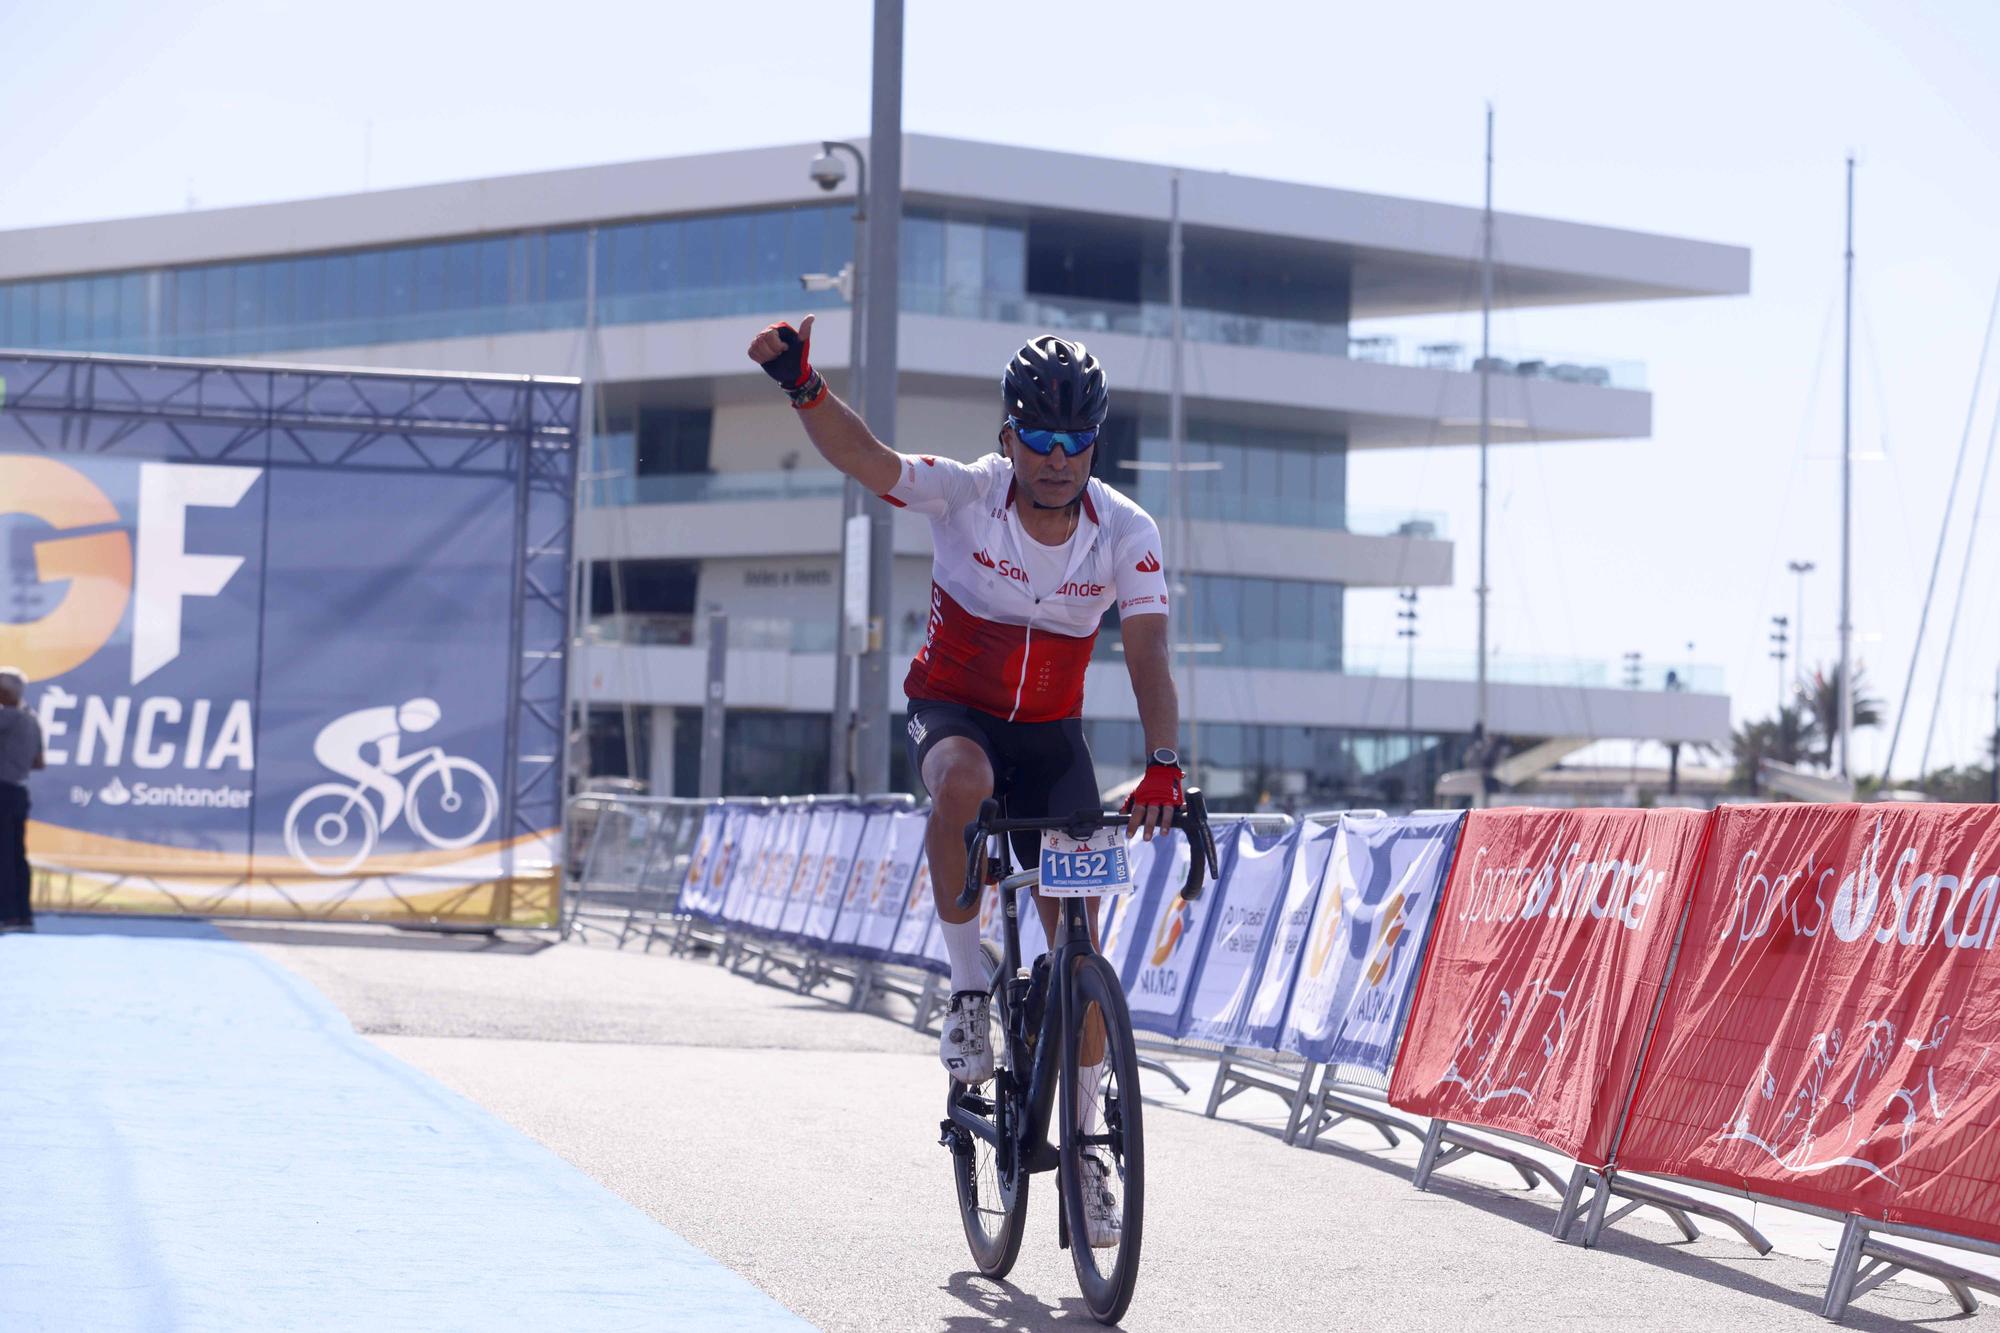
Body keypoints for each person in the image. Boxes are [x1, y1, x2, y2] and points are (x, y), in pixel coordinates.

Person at [748, 319, 1186, 1243]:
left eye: (1077, 441)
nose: (1059, 458)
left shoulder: (1127, 530)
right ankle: (968, 992)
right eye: (1041, 437)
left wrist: (1163, 761)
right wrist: (803, 384)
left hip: (1053, 738)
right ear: (1008, 436)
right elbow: (869, 461)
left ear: (1094, 444)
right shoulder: (967, 496)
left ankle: (1089, 1144)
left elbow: (1148, 651)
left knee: (1082, 946)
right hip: (956, 711)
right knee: (961, 783)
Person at [308, 697, 443, 831]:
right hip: (332, 749)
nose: (421, 728)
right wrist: (424, 754)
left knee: (386, 784)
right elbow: (390, 767)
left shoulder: (387, 714)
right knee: (393, 789)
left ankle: (379, 829)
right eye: (424, 724)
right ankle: (381, 830)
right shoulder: (389, 728)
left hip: (332, 744)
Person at [0, 667, 46, 932]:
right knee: (16, 856)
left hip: (2, 791)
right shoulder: (32, 719)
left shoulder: (7, 718)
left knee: (3, 856)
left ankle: (5, 914)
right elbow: (38, 763)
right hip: (18, 791)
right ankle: (21, 914)